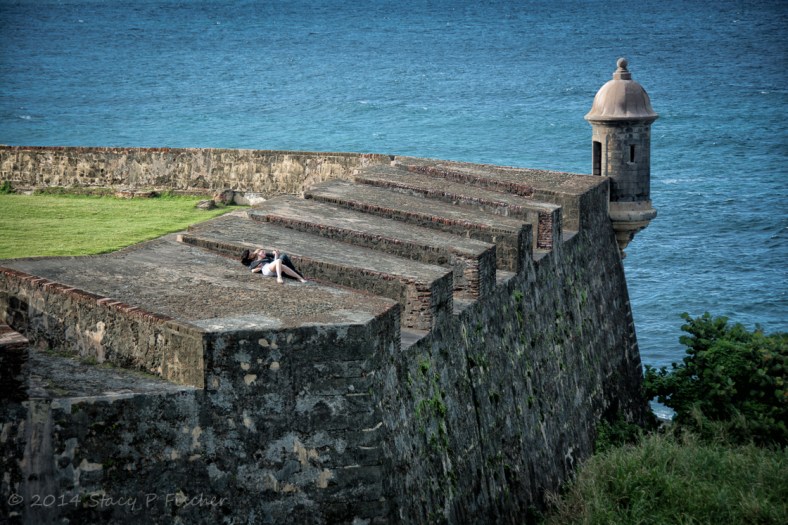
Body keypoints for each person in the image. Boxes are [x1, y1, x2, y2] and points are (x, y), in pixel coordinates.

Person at [240, 248, 306, 284]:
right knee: (280, 260)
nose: (252, 253)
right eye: (250, 254)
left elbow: (270, 254)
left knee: (283, 265)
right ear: (248, 257)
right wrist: (255, 269)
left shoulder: (261, 255)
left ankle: (300, 277)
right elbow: (252, 268)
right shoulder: (253, 262)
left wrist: (275, 253)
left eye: (251, 252)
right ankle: (279, 277)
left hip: (272, 266)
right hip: (268, 268)